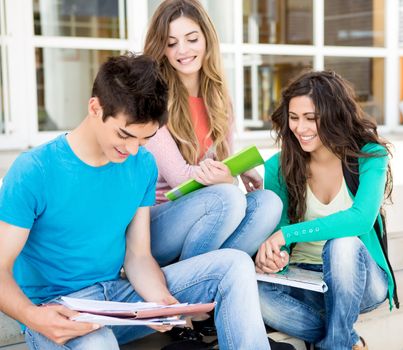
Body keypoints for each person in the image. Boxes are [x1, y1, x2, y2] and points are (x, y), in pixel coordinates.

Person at [0, 54, 274, 350]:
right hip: (57, 310)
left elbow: (138, 256)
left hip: (117, 299)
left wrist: (160, 302)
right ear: (95, 108)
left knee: (233, 265)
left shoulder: (142, 164)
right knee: (97, 344)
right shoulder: (35, 170)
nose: (132, 150)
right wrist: (34, 317)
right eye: (125, 135)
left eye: (144, 140)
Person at [255, 71, 398, 350]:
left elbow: (361, 219)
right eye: (294, 118)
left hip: (360, 281)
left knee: (342, 243)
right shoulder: (278, 165)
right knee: (253, 293)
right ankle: (343, 338)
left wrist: (287, 234)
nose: (300, 127)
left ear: (334, 115)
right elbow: (279, 232)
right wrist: (275, 259)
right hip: (303, 279)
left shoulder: (370, 156)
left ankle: (333, 344)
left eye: (311, 118)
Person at [143, 0, 282, 267]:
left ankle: (207, 275)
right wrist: (227, 179)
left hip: (205, 215)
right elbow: (181, 179)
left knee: (269, 202)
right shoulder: (155, 100)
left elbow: (220, 165)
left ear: (206, 38)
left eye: (191, 39)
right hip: (156, 224)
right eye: (171, 43)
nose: (182, 50)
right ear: (161, 49)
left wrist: (237, 169)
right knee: (227, 197)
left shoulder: (219, 99)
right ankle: (192, 284)